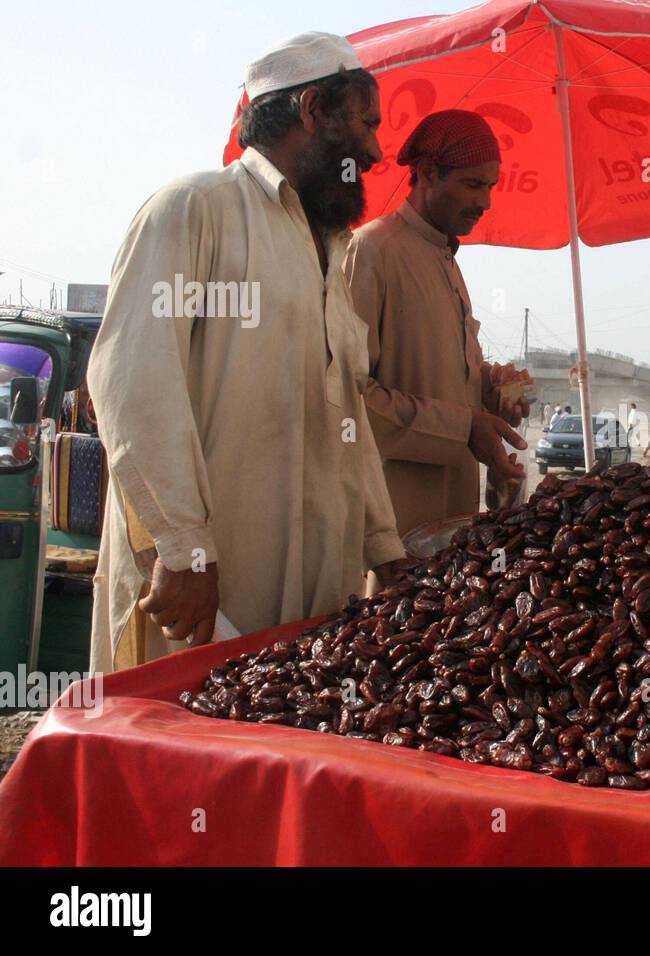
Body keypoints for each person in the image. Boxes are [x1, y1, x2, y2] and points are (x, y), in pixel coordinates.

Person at [86, 33, 406, 670]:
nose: (374, 152)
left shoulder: (330, 251)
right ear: (313, 110)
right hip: (201, 594)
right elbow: (133, 384)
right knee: (174, 756)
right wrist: (183, 552)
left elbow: (347, 418)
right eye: (367, 123)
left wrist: (384, 550)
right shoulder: (195, 209)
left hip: (316, 598)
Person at [344, 110, 528, 534]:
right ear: (428, 173)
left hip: (456, 520)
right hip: (391, 524)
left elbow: (443, 381)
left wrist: (492, 392)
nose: (485, 202)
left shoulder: (446, 259)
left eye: (490, 186)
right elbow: (346, 398)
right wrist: (462, 427)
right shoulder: (373, 251)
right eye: (472, 184)